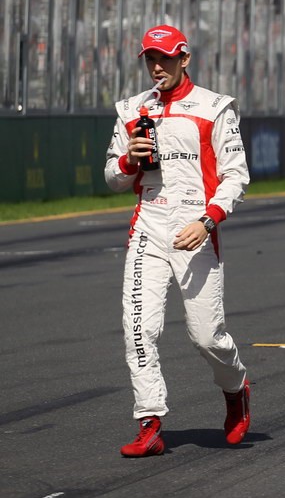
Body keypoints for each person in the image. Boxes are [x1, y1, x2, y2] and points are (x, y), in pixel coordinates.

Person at [104, 25, 252, 457]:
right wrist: (128, 159)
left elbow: (235, 175)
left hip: (195, 230)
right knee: (138, 328)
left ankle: (236, 389)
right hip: (147, 226)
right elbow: (113, 177)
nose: (156, 67)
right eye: (150, 59)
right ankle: (149, 422)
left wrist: (208, 220)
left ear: (184, 58)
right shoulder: (132, 109)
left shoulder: (214, 107)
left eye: (164, 58)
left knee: (206, 336)